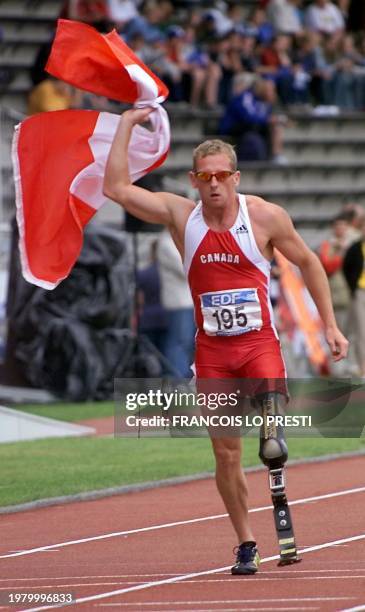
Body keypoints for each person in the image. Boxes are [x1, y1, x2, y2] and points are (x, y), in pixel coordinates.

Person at [103, 107, 348, 575]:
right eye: (205, 177)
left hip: (258, 345)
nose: (214, 184)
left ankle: (273, 439)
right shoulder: (181, 215)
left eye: (222, 176)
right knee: (225, 453)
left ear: (235, 177)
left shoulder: (264, 217)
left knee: (270, 439)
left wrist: (330, 326)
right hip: (212, 353)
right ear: (194, 180)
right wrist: (126, 126)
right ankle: (247, 541)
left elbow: (310, 263)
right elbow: (116, 189)